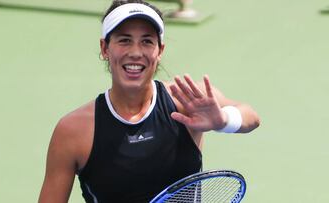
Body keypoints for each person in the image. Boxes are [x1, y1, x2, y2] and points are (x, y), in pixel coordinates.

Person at [38, 0, 260, 202]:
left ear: (160, 50)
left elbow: (251, 116)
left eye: (147, 41)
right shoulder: (74, 130)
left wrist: (223, 121)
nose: (136, 52)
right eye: (125, 40)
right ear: (105, 48)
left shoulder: (185, 100)